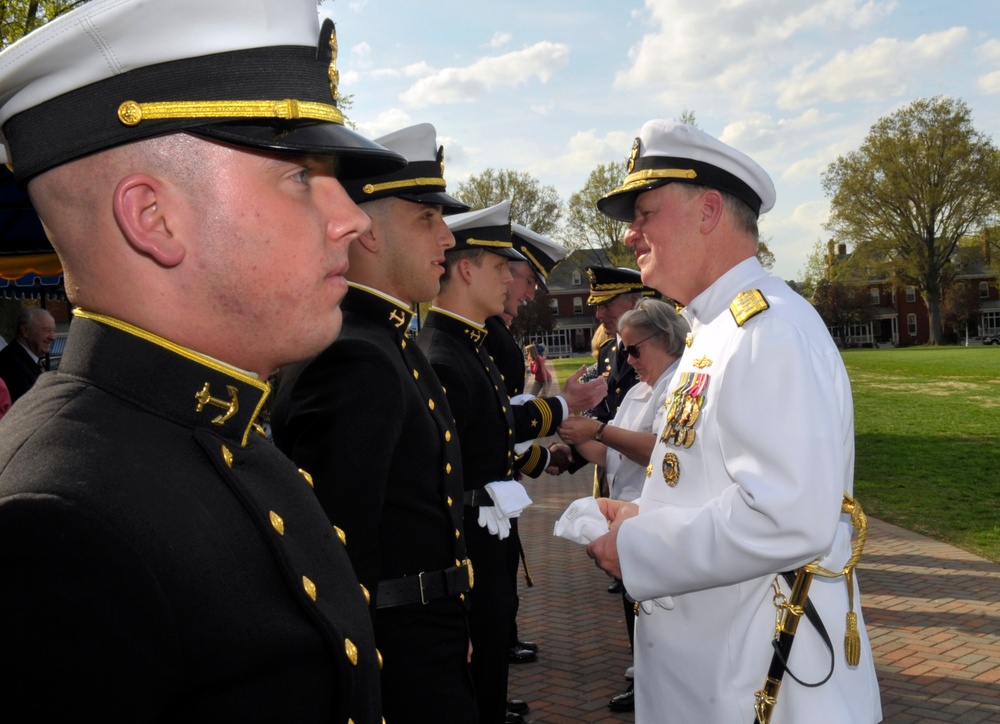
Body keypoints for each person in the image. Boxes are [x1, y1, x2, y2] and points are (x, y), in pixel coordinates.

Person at [0, 1, 408, 720]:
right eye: (301, 176)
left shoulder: (223, 426)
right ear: (154, 219)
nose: (353, 218)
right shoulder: (57, 524)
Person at [586, 119, 882, 723]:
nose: (629, 234)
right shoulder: (715, 329)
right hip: (722, 672)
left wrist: (642, 547)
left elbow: (786, 515)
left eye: (645, 211)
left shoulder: (767, 331)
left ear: (709, 210)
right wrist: (649, 514)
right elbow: (715, 481)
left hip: (765, 683)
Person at [271, 123, 478, 724]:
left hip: (423, 636)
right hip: (396, 658)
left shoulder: (385, 342)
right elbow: (338, 553)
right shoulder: (355, 355)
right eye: (425, 218)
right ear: (365, 233)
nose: (447, 236)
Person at [418, 202, 604, 724]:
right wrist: (563, 411)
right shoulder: (442, 355)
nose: (513, 281)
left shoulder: (469, 347)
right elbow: (462, 456)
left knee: (494, 645)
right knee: (481, 659)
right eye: (503, 268)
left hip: (489, 521)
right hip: (470, 529)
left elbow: (494, 428)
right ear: (468, 269)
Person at [557, 298, 689, 712]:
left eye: (635, 349)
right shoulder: (637, 390)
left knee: (660, 621)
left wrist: (598, 428)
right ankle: (647, 682)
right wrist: (572, 434)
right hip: (628, 520)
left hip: (657, 519)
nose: (628, 360)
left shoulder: (678, 385)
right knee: (638, 615)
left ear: (666, 338)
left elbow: (661, 451)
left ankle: (660, 691)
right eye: (623, 350)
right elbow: (612, 455)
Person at [0, 307, 55, 402]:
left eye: (53, 331)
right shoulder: (10, 364)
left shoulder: (24, 359)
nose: (52, 337)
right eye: (47, 330)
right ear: (25, 331)